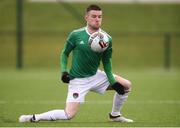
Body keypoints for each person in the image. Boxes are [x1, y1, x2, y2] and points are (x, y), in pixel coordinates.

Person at [19, 4, 133, 123]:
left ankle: (115, 116)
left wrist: (113, 82)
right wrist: (64, 71)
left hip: (95, 76)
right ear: (86, 18)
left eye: (100, 16)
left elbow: (106, 62)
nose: (97, 19)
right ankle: (34, 117)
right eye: (94, 16)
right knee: (68, 114)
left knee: (126, 85)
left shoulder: (107, 38)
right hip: (78, 80)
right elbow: (64, 53)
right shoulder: (76, 35)